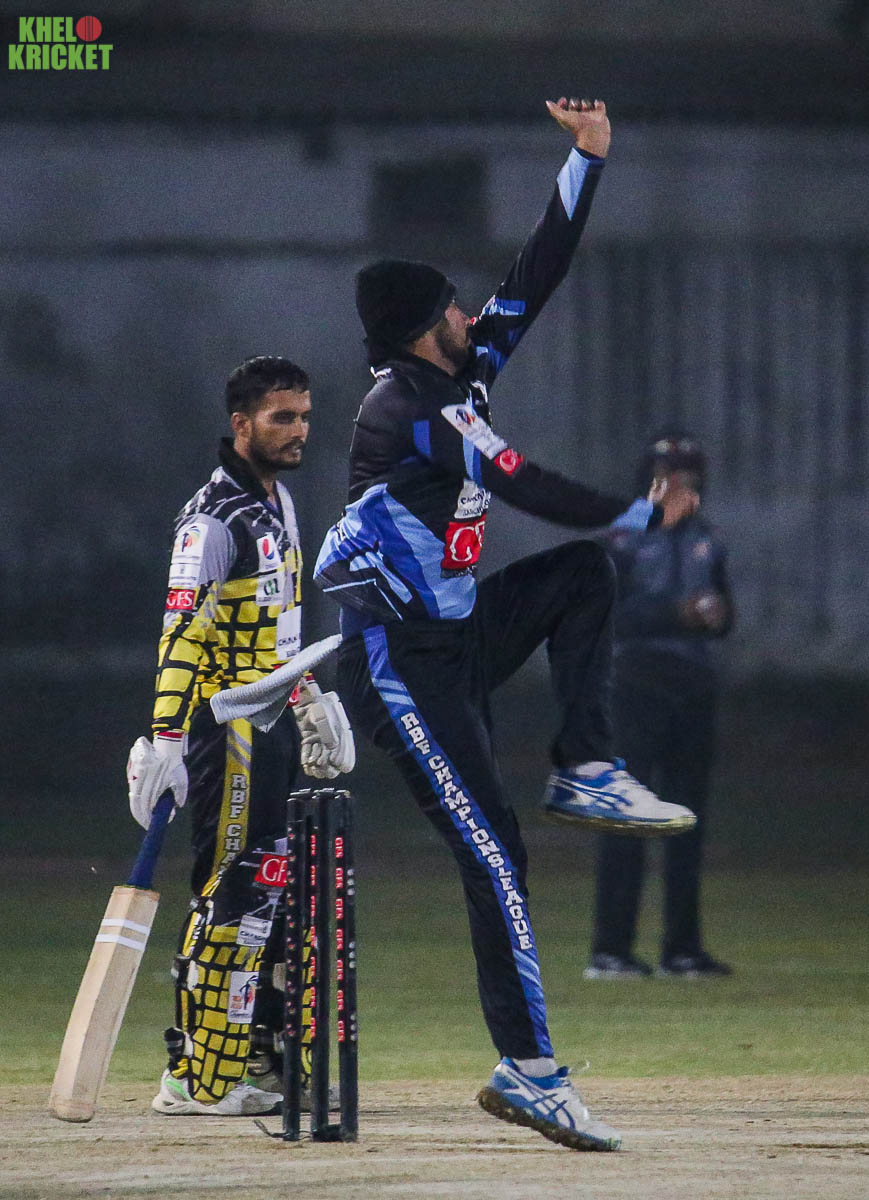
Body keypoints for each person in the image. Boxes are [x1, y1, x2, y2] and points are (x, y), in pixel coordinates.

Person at [314, 99, 699, 1152]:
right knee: (493, 856)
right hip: (399, 666)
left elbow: (536, 275)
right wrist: (634, 514)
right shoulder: (409, 408)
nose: (467, 312)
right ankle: (529, 1073)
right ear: (419, 327)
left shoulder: (459, 370)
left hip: (460, 634)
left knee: (580, 578)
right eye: (450, 305)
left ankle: (585, 765)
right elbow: (518, 477)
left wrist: (586, 161)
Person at [126, 356, 354, 1116]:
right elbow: (181, 634)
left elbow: (276, 628)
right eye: (282, 417)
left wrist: (309, 696)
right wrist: (165, 737)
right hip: (225, 731)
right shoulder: (212, 519)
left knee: (268, 894)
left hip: (273, 723)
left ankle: (245, 1062)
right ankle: (196, 1078)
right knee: (231, 893)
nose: (299, 431)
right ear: (241, 424)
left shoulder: (278, 502)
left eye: (305, 416)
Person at [585, 432, 734, 981]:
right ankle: (610, 951)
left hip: (691, 686)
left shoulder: (708, 541)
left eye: (690, 478)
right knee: (627, 818)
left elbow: (725, 614)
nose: (681, 488)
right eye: (670, 477)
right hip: (634, 685)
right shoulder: (622, 541)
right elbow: (608, 618)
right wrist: (678, 613)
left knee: (687, 820)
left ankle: (682, 950)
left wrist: (717, 615)